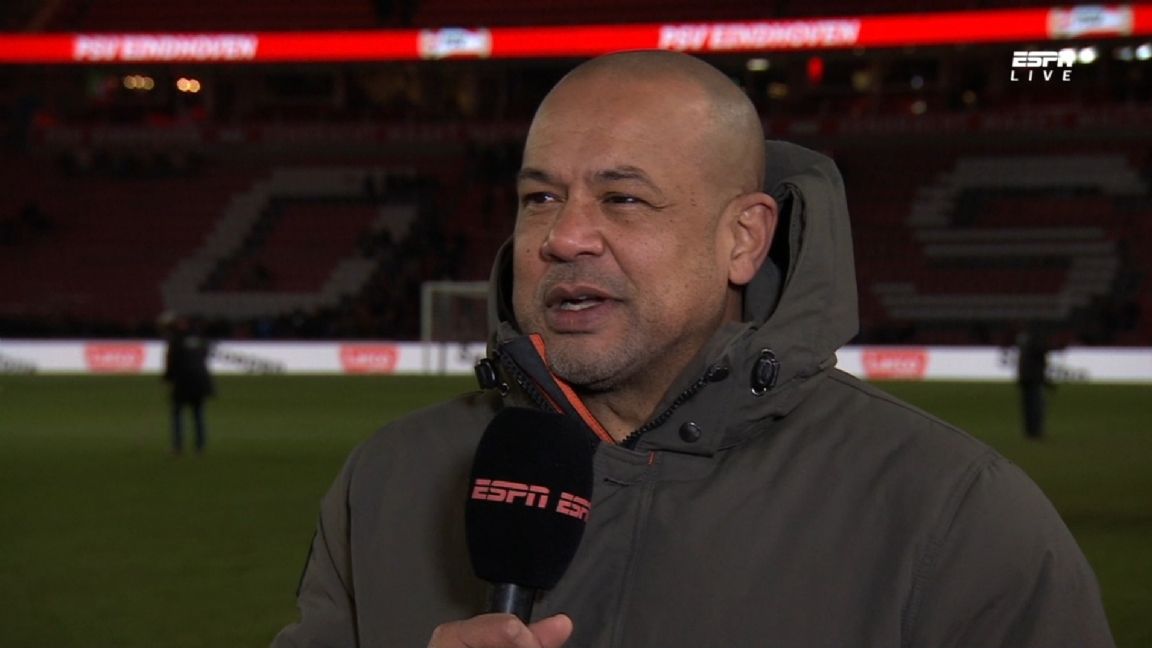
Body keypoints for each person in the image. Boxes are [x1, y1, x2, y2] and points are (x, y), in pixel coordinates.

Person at [273, 51, 1113, 648]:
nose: (564, 236)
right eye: (540, 198)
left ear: (743, 238)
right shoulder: (386, 482)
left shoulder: (950, 512)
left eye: (623, 198)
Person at [161, 312, 214, 455]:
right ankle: (200, 447)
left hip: (183, 381)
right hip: (200, 380)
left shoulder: (176, 340)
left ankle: (178, 447)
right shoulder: (200, 338)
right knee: (198, 414)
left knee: (177, 413)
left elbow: (172, 361)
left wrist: (167, 379)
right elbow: (204, 355)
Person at [1016, 325, 1052, 439]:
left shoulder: (1025, 348)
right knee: (1036, 406)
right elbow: (1039, 361)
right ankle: (1035, 431)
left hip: (1027, 379)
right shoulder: (1035, 348)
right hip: (1034, 380)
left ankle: (1030, 431)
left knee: (1029, 407)